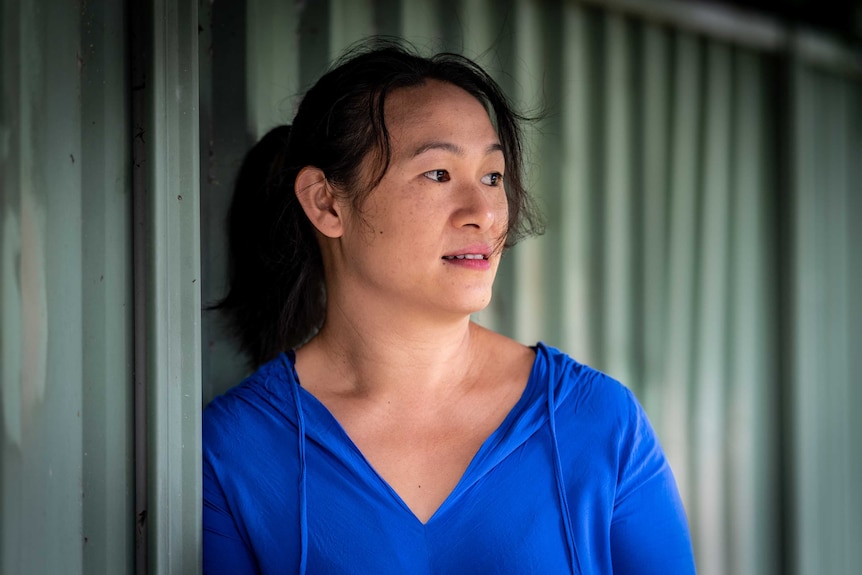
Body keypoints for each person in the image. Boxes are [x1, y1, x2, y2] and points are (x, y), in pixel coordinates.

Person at [203, 40, 696, 574]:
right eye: (438, 174)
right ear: (326, 202)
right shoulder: (234, 450)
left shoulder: (597, 423)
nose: (484, 212)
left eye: (492, 176)